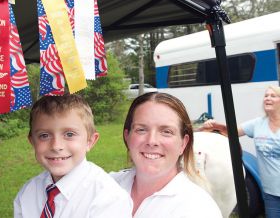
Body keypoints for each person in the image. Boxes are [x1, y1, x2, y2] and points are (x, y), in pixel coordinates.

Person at [13, 94, 133, 218]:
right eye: (44, 135)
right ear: (32, 141)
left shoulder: (108, 199)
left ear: (90, 141)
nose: (56, 146)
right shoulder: (27, 193)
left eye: (69, 134)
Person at [110, 92, 222, 218]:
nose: (152, 141)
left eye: (166, 132)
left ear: (183, 143)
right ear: (127, 136)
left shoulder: (199, 209)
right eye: (141, 129)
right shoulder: (104, 187)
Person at [203, 85, 280, 218]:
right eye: (266, 96)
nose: (268, 98)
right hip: (271, 193)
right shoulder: (258, 124)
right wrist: (214, 126)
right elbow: (232, 131)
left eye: (273, 96)